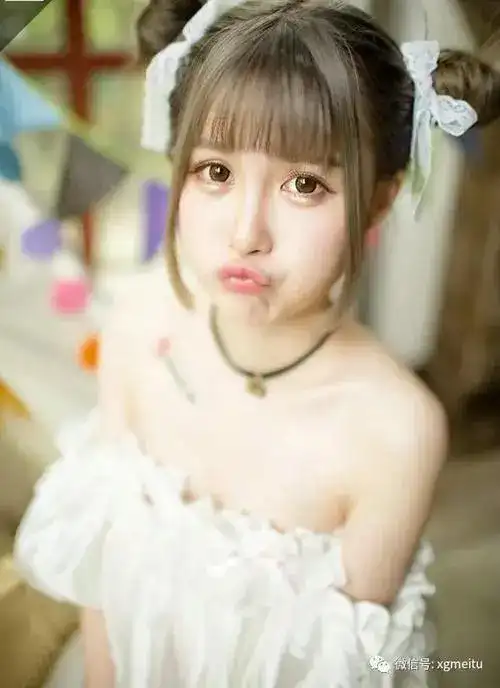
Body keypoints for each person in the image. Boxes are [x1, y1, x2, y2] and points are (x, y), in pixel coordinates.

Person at [14, 1, 500, 686]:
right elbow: (104, 581)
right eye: (215, 172)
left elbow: (350, 668)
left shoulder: (395, 431)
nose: (247, 233)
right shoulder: (139, 330)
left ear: (379, 201)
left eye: (305, 185)